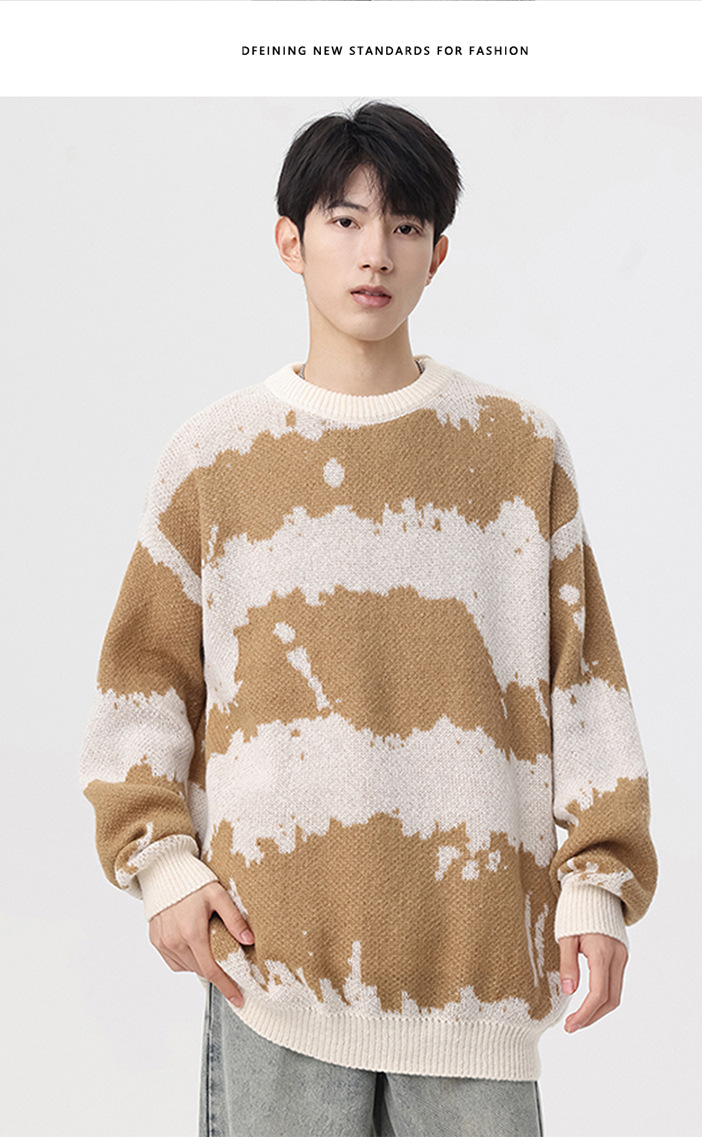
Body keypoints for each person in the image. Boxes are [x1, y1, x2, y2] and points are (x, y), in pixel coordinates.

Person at [80, 101, 658, 1137]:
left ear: (439, 252)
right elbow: (143, 683)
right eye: (344, 221)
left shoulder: (516, 449)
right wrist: (162, 863)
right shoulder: (216, 456)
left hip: (477, 972)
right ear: (289, 241)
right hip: (273, 963)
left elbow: (584, 683)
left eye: (405, 225)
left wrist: (598, 885)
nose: (374, 252)